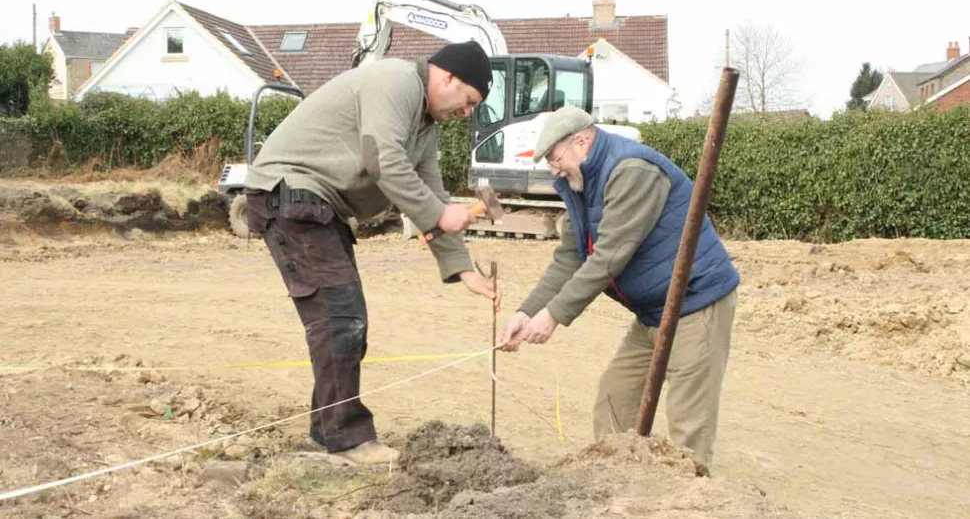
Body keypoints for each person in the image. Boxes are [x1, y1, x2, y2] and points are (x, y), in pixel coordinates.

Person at [243, 40, 501, 466]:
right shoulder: (395, 81)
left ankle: (329, 434)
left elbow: (428, 192)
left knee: (342, 317)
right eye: (469, 100)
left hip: (319, 206)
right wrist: (439, 213)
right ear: (448, 77)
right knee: (340, 315)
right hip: (291, 193)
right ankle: (348, 440)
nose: (467, 112)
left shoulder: (423, 127)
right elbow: (382, 160)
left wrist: (463, 268)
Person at [497, 106, 739, 470]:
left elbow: (609, 257)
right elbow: (569, 257)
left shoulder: (631, 171)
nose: (553, 169)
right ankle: (615, 484)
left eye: (555, 158)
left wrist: (553, 317)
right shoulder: (580, 182)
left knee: (689, 422)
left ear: (582, 141)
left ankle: (692, 499)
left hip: (695, 303)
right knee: (615, 398)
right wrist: (526, 311)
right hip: (652, 312)